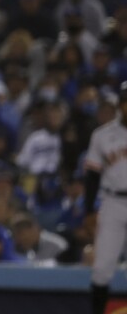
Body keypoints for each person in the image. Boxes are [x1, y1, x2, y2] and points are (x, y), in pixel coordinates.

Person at [84, 81, 127, 314]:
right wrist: (89, 210)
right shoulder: (102, 135)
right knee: (101, 269)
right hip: (113, 202)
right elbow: (92, 176)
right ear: (120, 104)